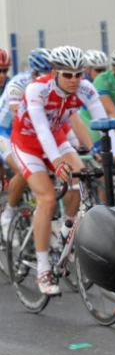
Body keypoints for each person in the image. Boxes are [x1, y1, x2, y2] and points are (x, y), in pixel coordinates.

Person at [11, 46, 115, 295]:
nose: (74, 80)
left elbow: (104, 123)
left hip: (56, 137)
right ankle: (43, 269)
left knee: (80, 179)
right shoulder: (36, 89)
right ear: (54, 72)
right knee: (48, 198)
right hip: (27, 142)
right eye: (68, 75)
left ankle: (64, 234)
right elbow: (40, 129)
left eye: (79, 74)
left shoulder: (84, 87)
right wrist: (58, 162)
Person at [0, 49, 53, 236]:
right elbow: (17, 115)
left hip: (27, 131)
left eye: (5, 70)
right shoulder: (17, 84)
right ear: (33, 72)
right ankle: (8, 214)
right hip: (5, 131)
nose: (3, 75)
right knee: (25, 169)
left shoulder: (51, 84)